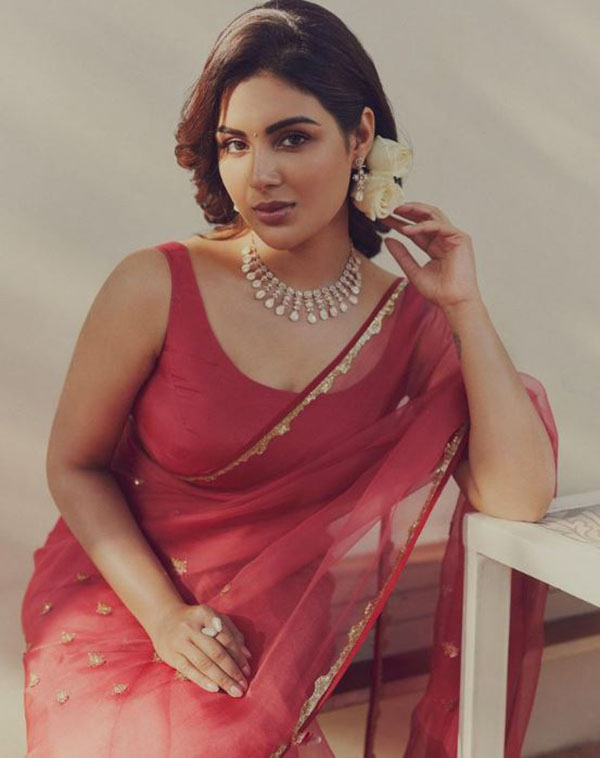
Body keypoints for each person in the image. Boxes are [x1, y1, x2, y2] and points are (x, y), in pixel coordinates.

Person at [20, 1, 559, 756]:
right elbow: (74, 466)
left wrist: (466, 308)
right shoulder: (155, 285)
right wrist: (167, 619)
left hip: (264, 639)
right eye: (235, 144)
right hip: (122, 609)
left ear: (360, 137)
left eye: (293, 138)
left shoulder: (408, 319)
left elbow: (518, 497)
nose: (260, 175)